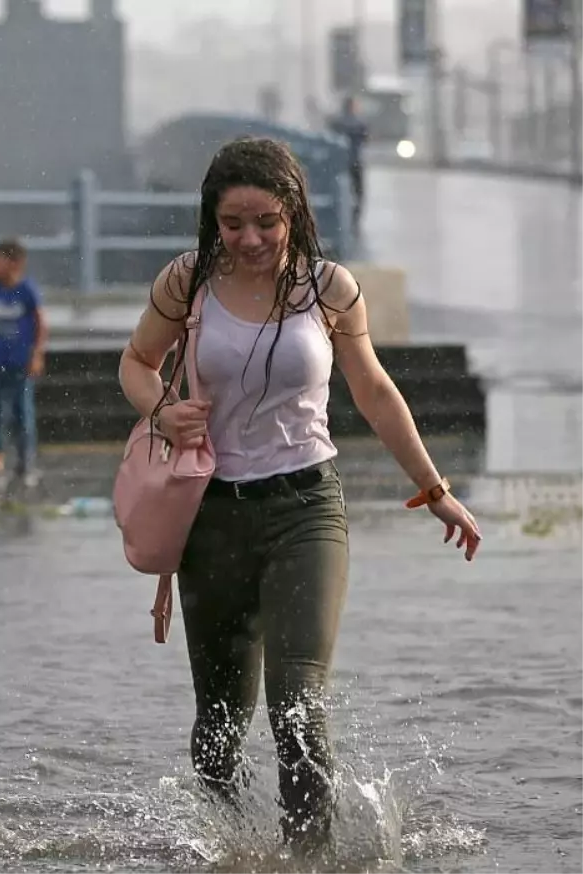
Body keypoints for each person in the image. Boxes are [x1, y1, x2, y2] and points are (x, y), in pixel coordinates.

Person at [117, 137, 480, 849]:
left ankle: (306, 859)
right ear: (211, 221)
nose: (250, 239)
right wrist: (161, 407)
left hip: (306, 509)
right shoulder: (186, 282)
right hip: (212, 516)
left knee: (297, 704)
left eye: (266, 222)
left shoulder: (328, 288)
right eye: (232, 224)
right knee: (219, 721)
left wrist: (434, 488)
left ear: (294, 214)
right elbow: (136, 362)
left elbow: (374, 390)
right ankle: (226, 852)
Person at [0, 238, 48, 488]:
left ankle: (26, 463)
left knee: (22, 414)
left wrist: (37, 354)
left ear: (15, 263)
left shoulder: (27, 291)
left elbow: (40, 324)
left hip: (20, 363)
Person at [328, 95, 369, 233]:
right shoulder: (359, 123)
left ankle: (346, 220)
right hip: (354, 162)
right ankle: (354, 221)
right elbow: (364, 138)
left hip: (341, 163)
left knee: (344, 192)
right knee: (358, 192)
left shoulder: (337, 122)